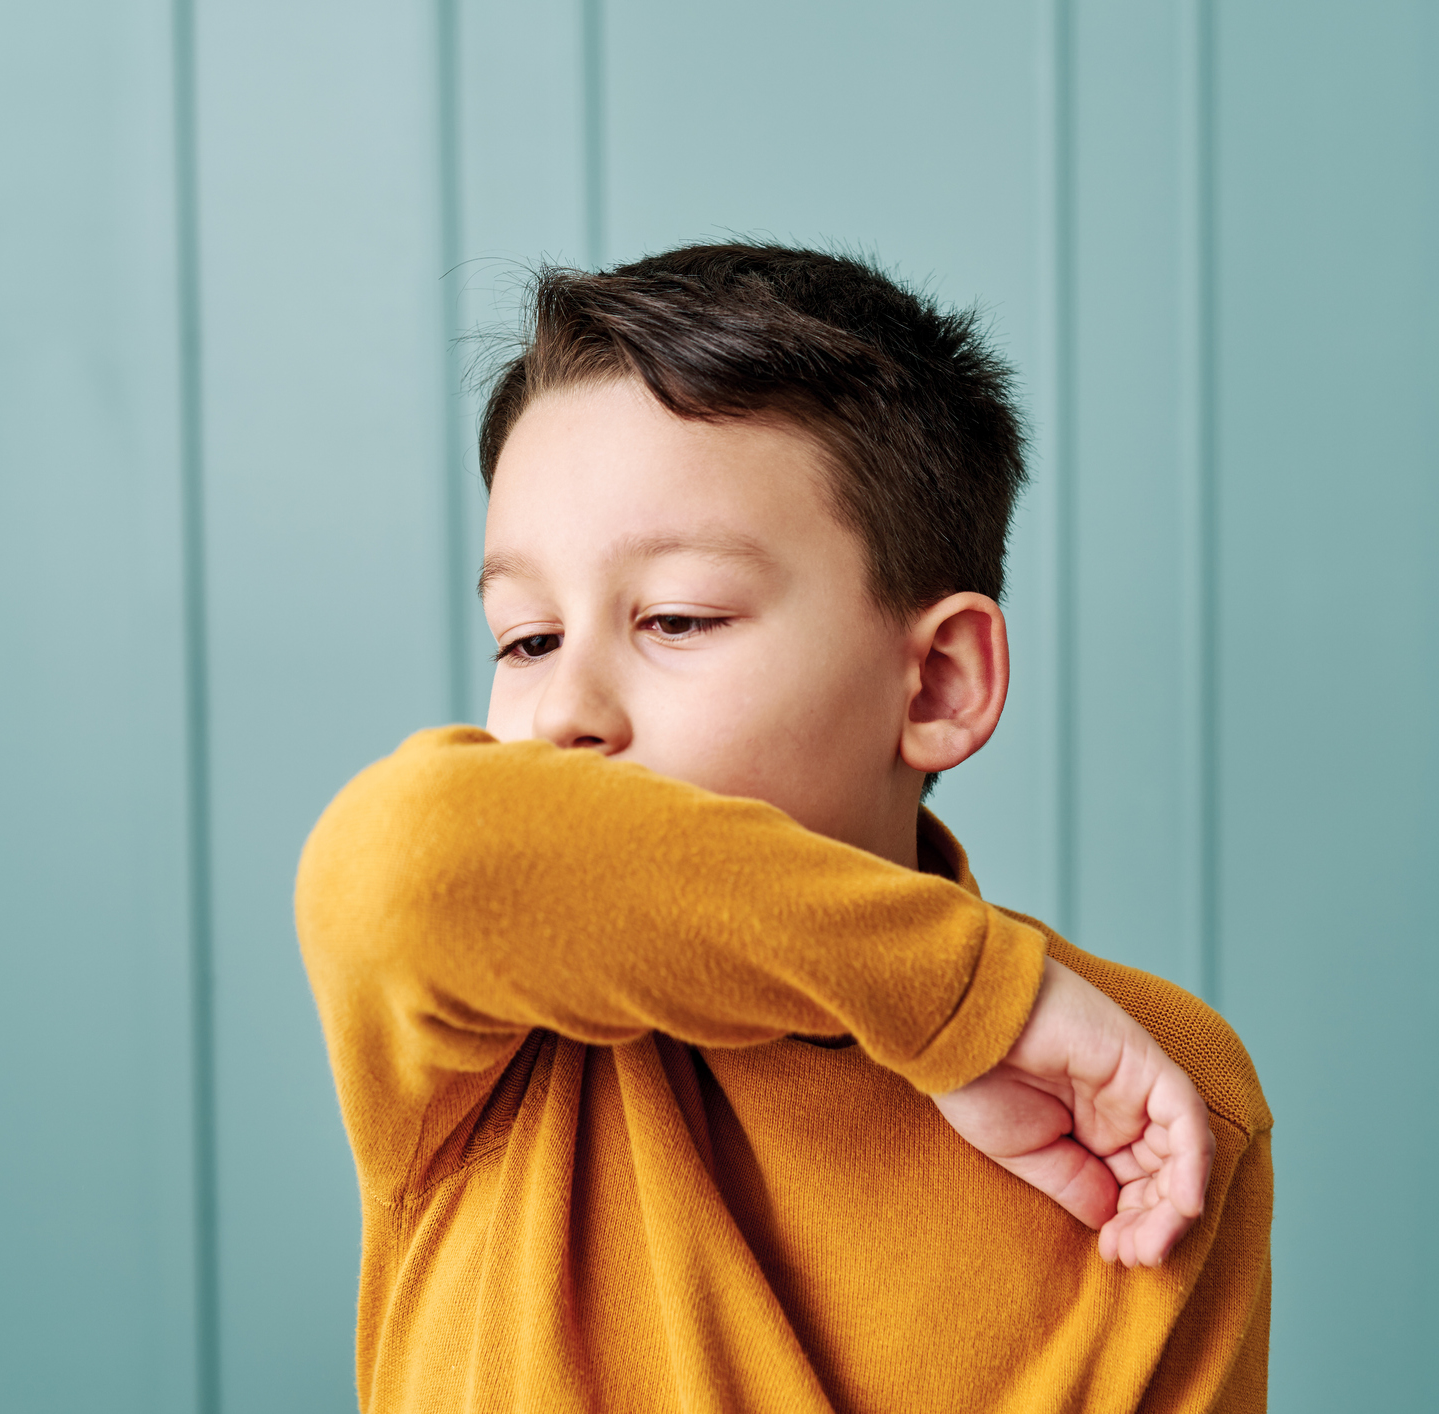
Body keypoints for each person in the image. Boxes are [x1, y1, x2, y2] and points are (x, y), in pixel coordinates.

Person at [295, 242, 1273, 1413]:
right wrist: (960, 998)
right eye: (527, 638)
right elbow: (416, 856)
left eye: (678, 618)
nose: (564, 711)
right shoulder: (495, 1039)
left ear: (938, 685)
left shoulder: (1147, 1101)